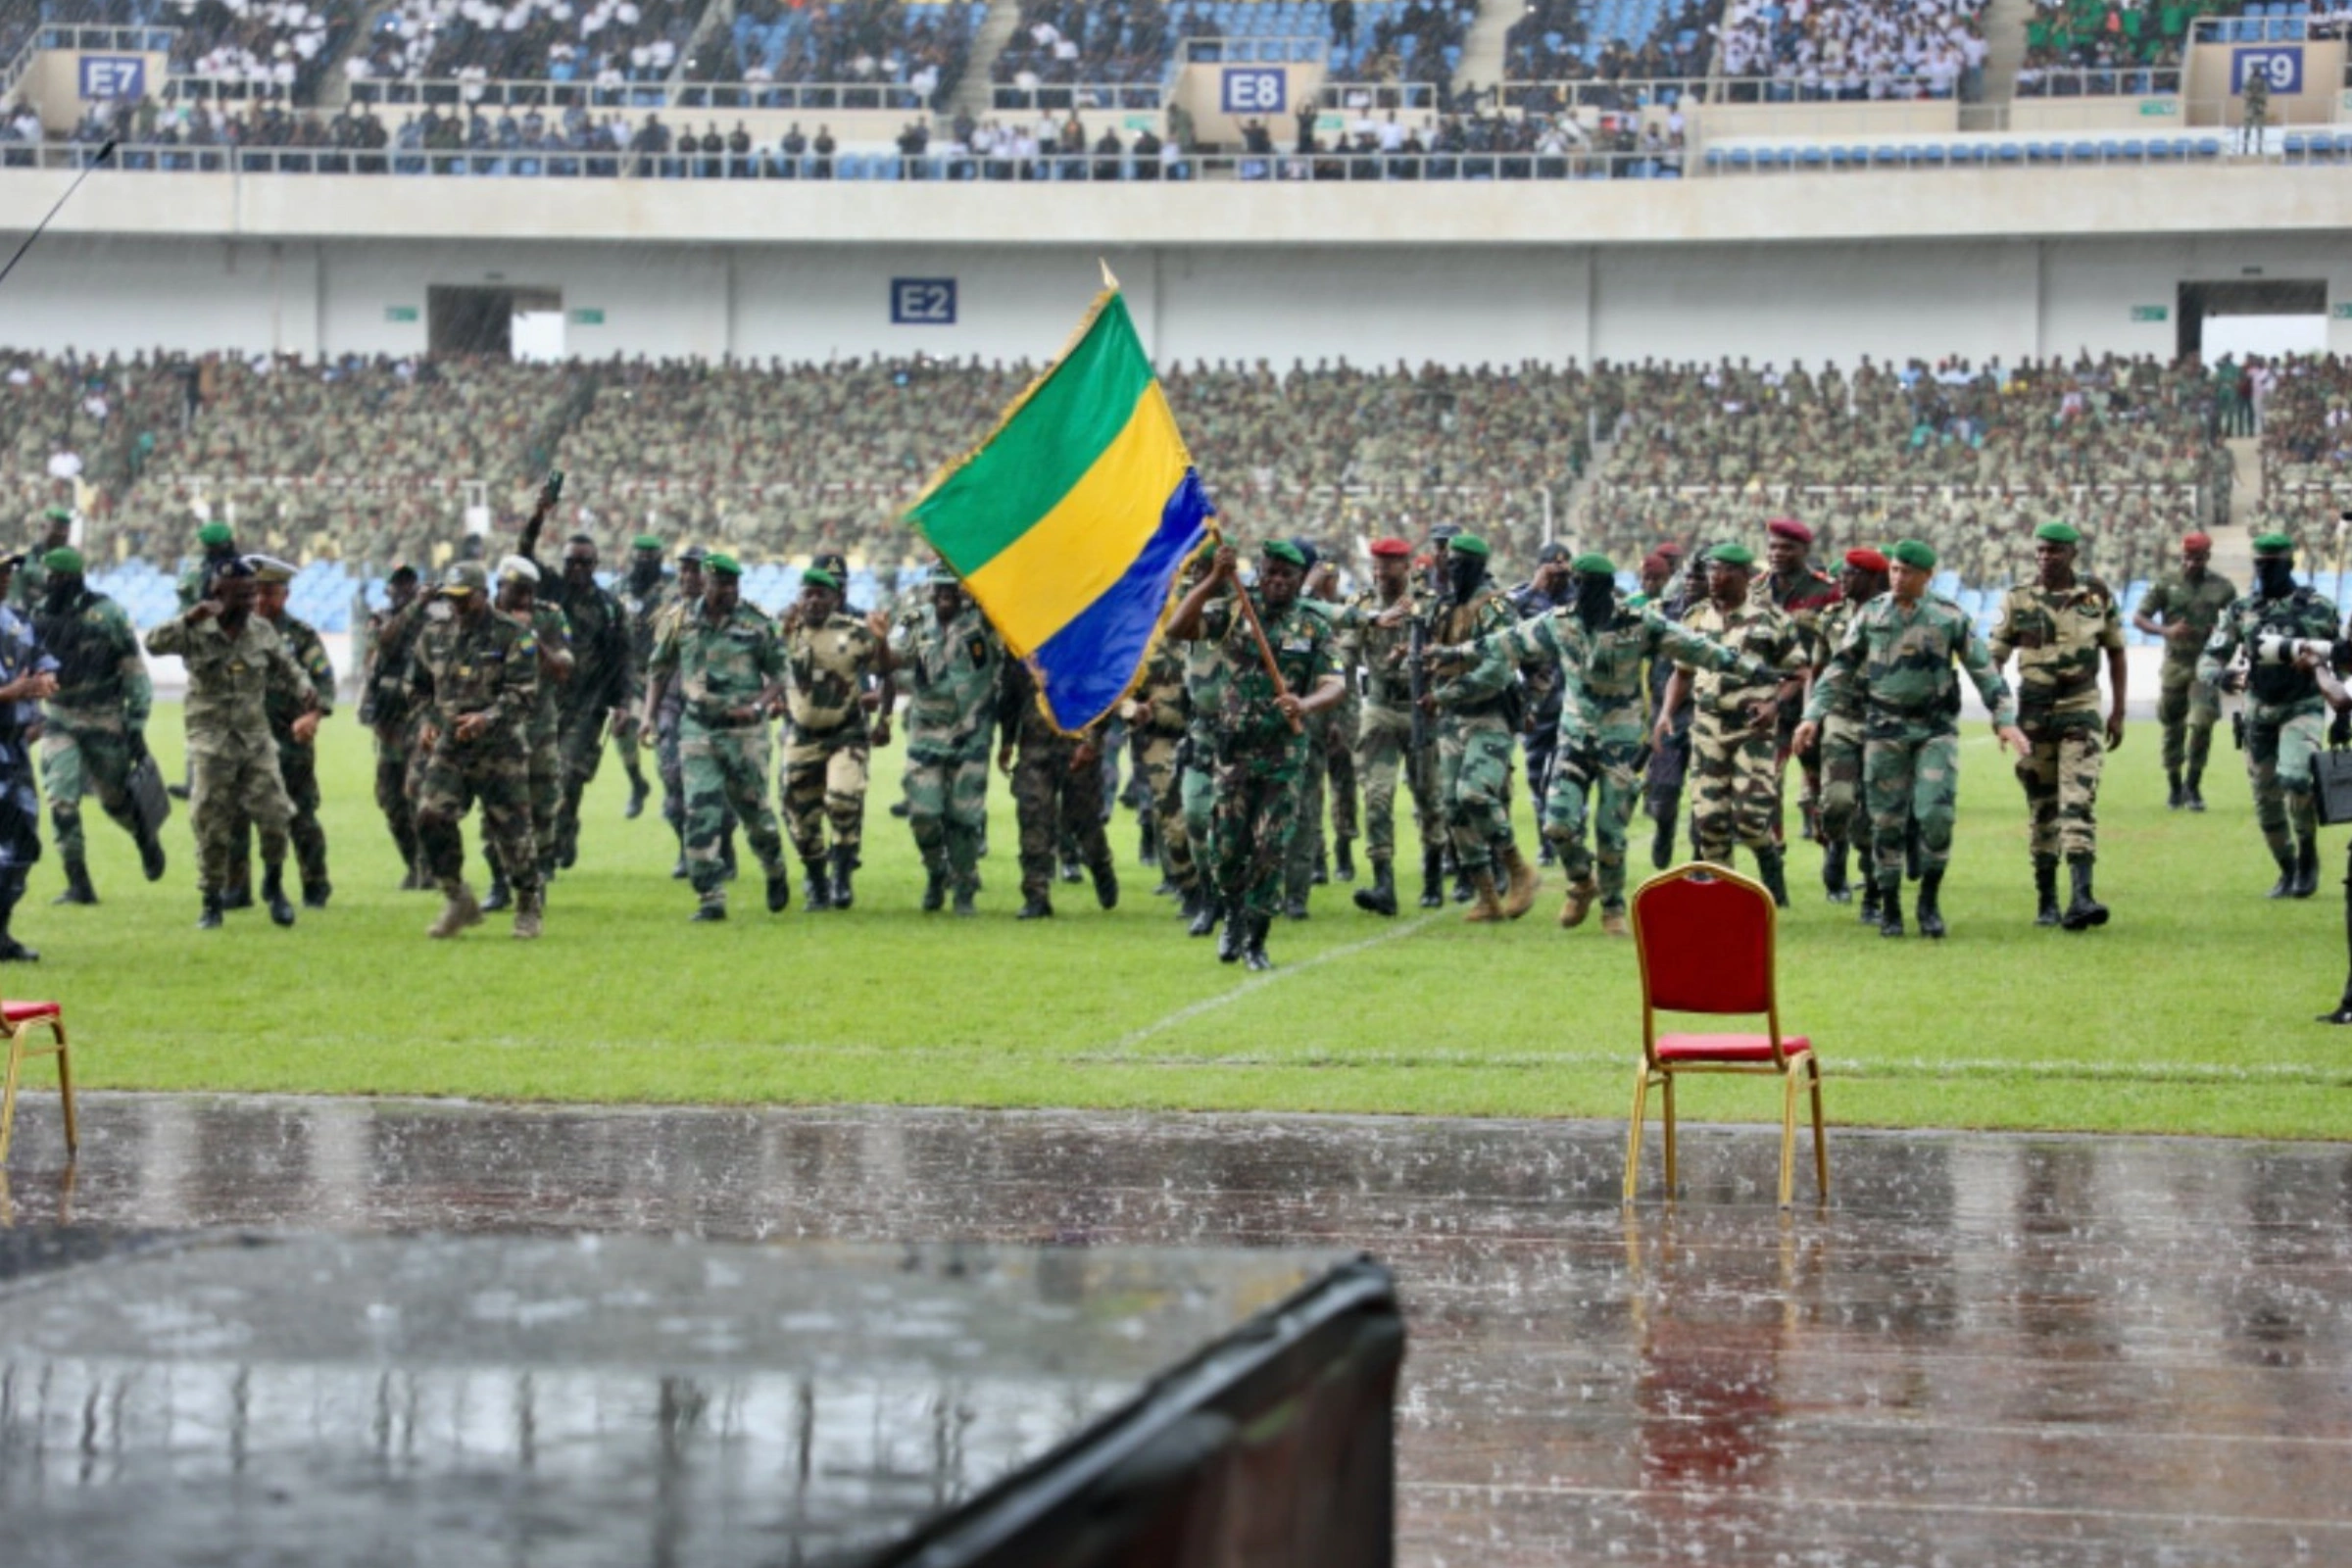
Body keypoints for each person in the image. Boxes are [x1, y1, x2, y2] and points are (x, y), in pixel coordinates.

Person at [1443, 552, 1771, 936]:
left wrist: (1753, 669)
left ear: (1606, 588)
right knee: (1557, 825)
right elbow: (1506, 642)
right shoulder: (1559, 622)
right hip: (1574, 735)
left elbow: (1696, 647)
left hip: (1621, 740)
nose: (1582, 594)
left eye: (1591, 587)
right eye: (1577, 585)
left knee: (1610, 831)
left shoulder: (1639, 622)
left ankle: (1613, 908)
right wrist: (1451, 653)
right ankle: (1582, 882)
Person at [1795, 539, 2028, 939]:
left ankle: (1929, 901)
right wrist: (1812, 716)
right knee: (1884, 822)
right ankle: (1889, 906)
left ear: (1927, 577)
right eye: (1895, 570)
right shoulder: (1871, 615)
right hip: (1884, 729)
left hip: (1934, 731)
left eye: (1907, 572)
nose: (1898, 578)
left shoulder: (1948, 617)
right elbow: (1839, 669)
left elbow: (1983, 669)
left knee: (1936, 816)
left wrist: (2004, 717)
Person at [1167, 539, 1345, 969]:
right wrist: (1213, 579)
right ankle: (1231, 915)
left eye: (1286, 574)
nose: (1277, 581)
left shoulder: (1313, 627)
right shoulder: (1235, 612)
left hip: (1282, 753)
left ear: (1301, 579)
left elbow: (1335, 683)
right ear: (1258, 573)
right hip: (1234, 751)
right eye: (1270, 572)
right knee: (1226, 850)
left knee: (1270, 847)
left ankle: (1256, 939)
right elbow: (1178, 628)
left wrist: (1305, 704)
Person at [145, 558, 316, 930]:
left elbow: (287, 665)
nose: (251, 601)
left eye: (253, 592)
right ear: (218, 594)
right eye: (241, 595)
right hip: (210, 739)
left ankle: (274, 884)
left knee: (275, 815)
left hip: (255, 737)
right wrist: (188, 619)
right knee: (211, 822)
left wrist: (306, 690)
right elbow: (152, 644)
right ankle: (211, 900)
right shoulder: (196, 628)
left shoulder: (260, 630)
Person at [1988, 521, 2127, 930]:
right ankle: (2046, 899)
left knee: (2077, 800)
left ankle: (2081, 896)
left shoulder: (2096, 595)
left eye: (2055, 551)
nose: (2046, 558)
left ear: (2072, 554)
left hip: (2081, 707)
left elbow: (2116, 652)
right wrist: (2001, 713)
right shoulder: (2018, 599)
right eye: (2041, 551)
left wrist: (2117, 711)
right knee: (2042, 807)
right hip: (2033, 714)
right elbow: (1993, 658)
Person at [1652, 543, 1806, 904]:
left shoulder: (1772, 618)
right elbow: (1682, 673)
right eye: (1709, 571)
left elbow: (1798, 672)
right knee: (1710, 823)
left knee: (1750, 820)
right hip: (1707, 726)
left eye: (1721, 571)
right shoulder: (1696, 617)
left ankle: (1769, 858)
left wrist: (1773, 703)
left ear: (1742, 576)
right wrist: (1665, 714)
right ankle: (1726, 900)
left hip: (1752, 729)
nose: (1712, 578)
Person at [643, 552, 792, 920]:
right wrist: (648, 715)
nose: (728, 591)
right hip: (698, 728)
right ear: (705, 584)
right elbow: (659, 670)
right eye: (720, 584)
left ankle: (774, 867)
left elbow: (779, 675)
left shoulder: (756, 623)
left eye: (732, 584)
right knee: (700, 812)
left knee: (755, 814)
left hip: (745, 732)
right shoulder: (680, 621)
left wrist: (758, 707)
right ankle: (710, 896)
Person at [2198, 532, 2342, 899]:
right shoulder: (2241, 610)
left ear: (2289, 563)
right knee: (2266, 800)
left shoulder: (2319, 607)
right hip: (2258, 712)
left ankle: (2308, 856)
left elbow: (2343, 660)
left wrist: (2343, 713)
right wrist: (2222, 676)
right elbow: (2208, 659)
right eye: (2259, 564)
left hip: (2303, 707)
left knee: (2295, 777)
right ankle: (2288, 869)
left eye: (2272, 565)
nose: (2265, 571)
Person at [408, 561, 543, 940]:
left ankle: (528, 905)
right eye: (452, 599)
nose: (458, 606)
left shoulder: (513, 635)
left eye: (465, 599)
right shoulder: (434, 635)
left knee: (513, 834)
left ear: (484, 595)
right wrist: (428, 719)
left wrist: (487, 717)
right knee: (430, 816)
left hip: (500, 748)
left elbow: (524, 694)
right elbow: (415, 686)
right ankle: (456, 897)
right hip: (452, 746)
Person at [30, 545, 163, 905]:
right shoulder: (39, 615)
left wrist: (135, 723)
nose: (49, 583)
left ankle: (144, 839)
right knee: (62, 800)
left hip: (104, 718)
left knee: (115, 801)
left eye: (55, 577)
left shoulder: (107, 614)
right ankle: (79, 883)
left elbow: (133, 671)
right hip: (58, 718)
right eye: (47, 577)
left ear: (70, 578)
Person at [1427, 534, 1541, 922]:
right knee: (1453, 808)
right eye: (1450, 563)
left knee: (1475, 794)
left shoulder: (1495, 608)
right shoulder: (1444, 607)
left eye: (1462, 564)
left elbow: (1497, 669)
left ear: (1477, 567)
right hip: (1451, 719)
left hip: (1489, 715)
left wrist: (1449, 692)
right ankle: (1487, 896)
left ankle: (1518, 869)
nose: (1453, 570)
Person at [779, 564, 894, 909]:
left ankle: (842, 877)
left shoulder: (856, 633)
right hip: (801, 736)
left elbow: (887, 671)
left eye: (822, 594)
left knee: (843, 799)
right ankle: (817, 882)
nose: (814, 600)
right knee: (801, 817)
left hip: (846, 733)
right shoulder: (785, 631)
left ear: (834, 599)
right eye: (808, 593)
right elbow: (764, 667)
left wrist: (885, 718)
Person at [894, 573, 1002, 916]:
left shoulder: (986, 619)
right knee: (923, 813)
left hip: (971, 734)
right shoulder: (915, 623)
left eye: (952, 586)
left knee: (965, 819)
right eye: (939, 587)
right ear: (930, 589)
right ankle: (935, 871)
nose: (945, 593)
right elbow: (892, 660)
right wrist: (881, 642)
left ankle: (965, 886)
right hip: (927, 734)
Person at [1348, 536, 1442, 917]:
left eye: (1388, 567)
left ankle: (1434, 878)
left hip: (1421, 707)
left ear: (1406, 567)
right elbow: (1345, 654)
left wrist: (1421, 658)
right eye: (1377, 567)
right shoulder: (1362, 606)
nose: (1381, 574)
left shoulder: (1430, 604)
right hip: (1381, 707)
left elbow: (1447, 646)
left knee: (1429, 798)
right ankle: (1383, 883)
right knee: (1377, 796)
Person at [247, 557, 337, 909]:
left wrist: (313, 715)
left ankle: (315, 885)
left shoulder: (299, 636)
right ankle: (238, 889)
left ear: (285, 595)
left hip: (289, 739)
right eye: (256, 592)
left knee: (300, 814)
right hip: (246, 740)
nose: (261, 601)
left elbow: (325, 683)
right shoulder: (236, 632)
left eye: (269, 593)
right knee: (240, 814)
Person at [482, 555, 570, 913]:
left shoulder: (550, 616)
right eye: (516, 591)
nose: (524, 600)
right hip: (495, 727)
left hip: (539, 729)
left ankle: (537, 878)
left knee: (543, 806)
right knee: (496, 809)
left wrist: (531, 638)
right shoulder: (482, 620)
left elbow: (563, 669)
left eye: (529, 592)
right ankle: (499, 881)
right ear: (499, 588)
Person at [999, 653, 1115, 920]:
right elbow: (1010, 692)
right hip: (1034, 746)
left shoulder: (1081, 634)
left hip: (1077, 744)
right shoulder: (1021, 638)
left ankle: (1100, 865)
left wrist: (1093, 742)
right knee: (1033, 816)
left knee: (1084, 820)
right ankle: (1036, 894)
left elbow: (1102, 693)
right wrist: (1006, 740)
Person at [1806, 548, 1888, 919]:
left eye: (1852, 574)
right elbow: (1818, 670)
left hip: (1882, 721)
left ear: (1872, 578)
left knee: (1874, 812)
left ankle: (1872, 892)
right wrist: (1811, 716)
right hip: (1840, 718)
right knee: (1837, 801)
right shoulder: (1830, 618)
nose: (1842, 579)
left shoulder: (1892, 615)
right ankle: (1836, 844)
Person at [2132, 530, 2236, 810]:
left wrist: (2223, 631)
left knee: (2202, 723)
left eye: (2198, 559)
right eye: (2187, 558)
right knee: (2172, 725)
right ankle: (2174, 787)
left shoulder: (2222, 587)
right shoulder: (2166, 584)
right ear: (2182, 556)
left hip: (2206, 664)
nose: (2191, 564)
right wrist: (2166, 630)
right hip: (2175, 664)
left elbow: (2237, 622)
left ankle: (2194, 784)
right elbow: (2139, 618)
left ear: (2207, 557)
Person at [548, 535, 632, 870]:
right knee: (541, 781)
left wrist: (624, 702)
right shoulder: (549, 598)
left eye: (585, 562)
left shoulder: (608, 608)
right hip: (544, 707)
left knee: (568, 777)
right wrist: (539, 516)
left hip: (587, 708)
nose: (577, 569)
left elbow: (624, 658)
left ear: (595, 566)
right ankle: (559, 836)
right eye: (571, 562)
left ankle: (554, 843)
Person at [1755, 518, 1840, 845]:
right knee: (1767, 783)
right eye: (1773, 546)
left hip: (1814, 703)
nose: (1778, 553)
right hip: (1768, 703)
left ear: (1805, 551)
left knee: (1821, 786)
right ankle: (1775, 853)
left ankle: (1829, 847)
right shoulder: (1755, 590)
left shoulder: (1828, 591)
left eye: (1787, 547)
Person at [0, 553, 59, 959]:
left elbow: (39, 655)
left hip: (13, 747)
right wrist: (10, 694)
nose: (6, 578)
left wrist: (45, 679)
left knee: (21, 844)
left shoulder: (15, 620)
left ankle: (1, 933)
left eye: (8, 571)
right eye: (0, 571)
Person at [1121, 635, 1203, 924]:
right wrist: (1133, 711)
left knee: (1211, 815)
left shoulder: (1210, 634)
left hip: (1207, 735)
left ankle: (1224, 889)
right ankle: (1191, 890)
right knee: (1173, 820)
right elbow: (1121, 695)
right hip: (1160, 740)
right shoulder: (1140, 639)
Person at [360, 564, 429, 888]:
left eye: (409, 585)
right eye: (398, 585)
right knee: (391, 799)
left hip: (421, 716)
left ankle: (430, 868)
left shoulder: (435, 620)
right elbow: (384, 643)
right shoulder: (380, 618)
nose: (404, 591)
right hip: (389, 722)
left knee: (419, 793)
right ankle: (413, 865)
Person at [1509, 542, 1574, 858]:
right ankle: (1545, 842)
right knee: (1537, 776)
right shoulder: (1526, 595)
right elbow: (1503, 617)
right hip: (1538, 703)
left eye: (1564, 564)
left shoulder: (1580, 595)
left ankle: (1569, 836)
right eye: (1553, 564)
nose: (1559, 571)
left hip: (1574, 701)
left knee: (1568, 774)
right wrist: (1536, 588)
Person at [611, 533, 669, 821]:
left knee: (666, 740)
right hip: (629, 676)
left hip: (665, 676)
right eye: (639, 557)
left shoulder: (673, 589)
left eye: (650, 557)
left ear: (659, 559)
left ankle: (673, 795)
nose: (644, 562)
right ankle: (637, 783)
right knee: (621, 730)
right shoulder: (618, 589)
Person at [10, 507, 74, 610]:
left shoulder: (72, 560)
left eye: (66, 530)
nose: (62, 534)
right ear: (43, 527)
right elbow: (14, 597)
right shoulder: (25, 559)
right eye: (57, 528)